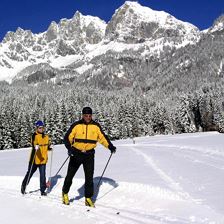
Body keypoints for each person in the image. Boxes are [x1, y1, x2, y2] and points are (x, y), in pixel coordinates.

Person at [62, 107, 116, 207]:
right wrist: (69, 149)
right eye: (86, 115)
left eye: (90, 115)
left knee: (89, 178)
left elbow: (102, 138)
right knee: (70, 175)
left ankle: (88, 198)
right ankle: (65, 193)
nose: (88, 117)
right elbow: (67, 138)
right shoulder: (76, 125)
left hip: (89, 155)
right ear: (82, 115)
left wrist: (110, 146)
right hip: (76, 153)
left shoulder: (95, 126)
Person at [21, 120, 52, 196]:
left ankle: (42, 190)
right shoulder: (34, 135)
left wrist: (50, 147)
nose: (41, 129)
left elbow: (48, 145)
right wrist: (35, 146)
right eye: (40, 128)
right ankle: (24, 186)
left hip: (43, 160)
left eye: (42, 128)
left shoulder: (46, 137)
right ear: (37, 128)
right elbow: (33, 143)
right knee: (29, 174)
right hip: (34, 159)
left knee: (43, 176)